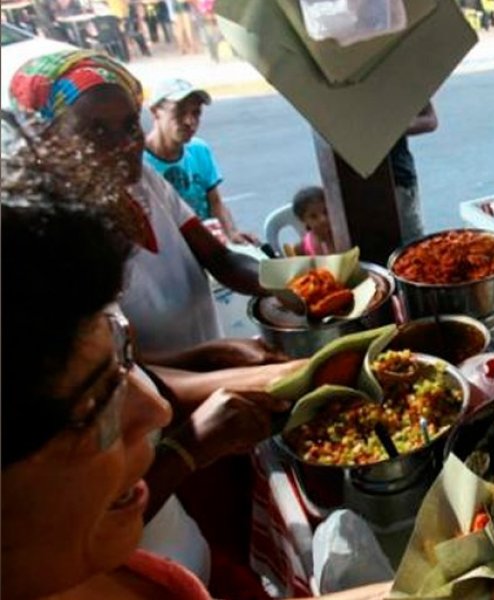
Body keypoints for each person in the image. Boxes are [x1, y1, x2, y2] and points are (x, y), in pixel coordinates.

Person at [0, 158, 392, 600]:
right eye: (97, 405)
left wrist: (228, 360)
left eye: (123, 360)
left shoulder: (110, 569)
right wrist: (186, 451)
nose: (158, 411)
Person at [8, 50, 274, 368]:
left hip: (211, 377)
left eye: (130, 126)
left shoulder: (145, 181)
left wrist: (288, 282)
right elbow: (118, 368)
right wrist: (210, 358)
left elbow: (221, 259)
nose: (126, 145)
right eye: (98, 131)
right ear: (47, 141)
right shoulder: (54, 235)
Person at [144, 78, 258, 245]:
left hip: (209, 245)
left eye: (196, 113)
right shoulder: (139, 162)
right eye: (180, 112)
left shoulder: (199, 150)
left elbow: (215, 201)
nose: (190, 121)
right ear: (155, 112)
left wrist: (231, 233)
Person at [387, 102, 438, 244]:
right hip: (355, 185)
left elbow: (430, 120)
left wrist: (390, 128)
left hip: (398, 177)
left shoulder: (396, 82)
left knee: (412, 245)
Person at [290, 185, 335, 256]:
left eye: (326, 212)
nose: (323, 219)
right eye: (313, 216)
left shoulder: (342, 236)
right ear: (303, 220)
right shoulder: (303, 246)